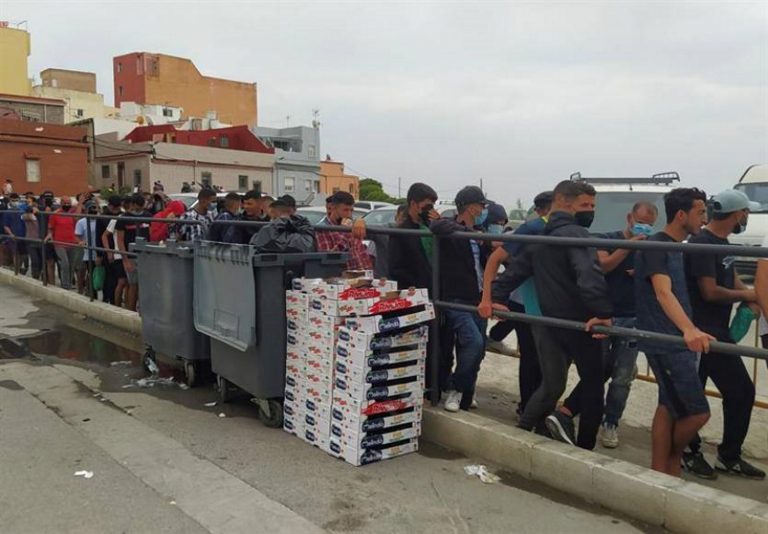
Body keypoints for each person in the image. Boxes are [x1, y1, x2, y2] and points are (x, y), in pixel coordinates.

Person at [490, 181, 612, 450]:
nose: (590, 211)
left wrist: (495, 298)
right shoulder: (577, 236)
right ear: (564, 202)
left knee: (552, 385)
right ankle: (585, 449)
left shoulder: (541, 238)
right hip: (581, 324)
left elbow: (513, 273)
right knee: (592, 385)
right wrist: (602, 312)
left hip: (548, 323)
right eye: (585, 205)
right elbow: (589, 276)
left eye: (592, 206)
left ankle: (522, 434)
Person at [556, 202, 659, 449]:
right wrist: (629, 246)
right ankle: (572, 410)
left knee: (623, 376)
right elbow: (603, 265)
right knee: (596, 371)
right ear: (629, 218)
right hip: (604, 316)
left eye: (649, 224)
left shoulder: (652, 247)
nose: (644, 226)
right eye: (641, 220)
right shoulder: (606, 239)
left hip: (632, 319)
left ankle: (611, 422)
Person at [680, 190, 764, 479]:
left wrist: (750, 296)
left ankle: (726, 456)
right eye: (746, 213)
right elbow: (710, 291)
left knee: (735, 391)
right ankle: (691, 452)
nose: (746, 218)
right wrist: (749, 293)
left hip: (717, 332)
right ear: (737, 213)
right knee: (708, 393)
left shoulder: (721, 241)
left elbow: (731, 276)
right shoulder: (702, 243)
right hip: (703, 332)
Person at [634, 187, 712, 476]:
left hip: (672, 338)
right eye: (700, 212)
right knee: (698, 412)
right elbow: (663, 292)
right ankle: (672, 459)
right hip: (666, 341)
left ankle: (661, 471)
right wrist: (689, 329)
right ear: (682, 215)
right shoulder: (658, 245)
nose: (704, 219)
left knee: (667, 406)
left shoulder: (675, 246)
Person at [479, 191, 552, 415]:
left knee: (547, 359)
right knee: (532, 357)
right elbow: (496, 258)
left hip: (551, 304)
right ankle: (528, 407)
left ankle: (538, 406)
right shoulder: (532, 228)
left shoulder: (570, 229)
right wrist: (488, 298)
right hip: (525, 302)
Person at [431, 186, 491, 412]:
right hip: (456, 299)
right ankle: (455, 388)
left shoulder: (480, 231)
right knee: (473, 342)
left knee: (479, 348)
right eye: (480, 204)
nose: (483, 209)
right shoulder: (451, 228)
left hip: (478, 298)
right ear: (468, 206)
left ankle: (467, 390)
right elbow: (436, 225)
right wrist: (467, 232)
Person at [389, 184, 439, 289]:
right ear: (413, 204)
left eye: (432, 206)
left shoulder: (432, 227)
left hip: (436, 288)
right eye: (427, 206)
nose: (430, 210)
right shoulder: (401, 232)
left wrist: (440, 223)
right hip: (415, 291)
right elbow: (395, 268)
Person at [316, 191, 371, 271]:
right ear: (333, 208)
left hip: (361, 276)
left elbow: (362, 254)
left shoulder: (353, 225)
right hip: (341, 277)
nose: (349, 214)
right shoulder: (323, 229)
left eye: (351, 210)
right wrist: (346, 234)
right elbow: (328, 259)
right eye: (345, 210)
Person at [115, 194, 150, 311]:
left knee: (144, 285)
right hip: (131, 256)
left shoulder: (147, 216)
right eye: (138, 206)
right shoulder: (124, 219)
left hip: (146, 255)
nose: (140, 209)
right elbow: (120, 240)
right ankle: (130, 311)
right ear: (133, 204)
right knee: (133, 285)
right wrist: (125, 260)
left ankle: (143, 310)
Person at [45, 196, 80, 290]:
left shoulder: (71, 213)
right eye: (65, 202)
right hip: (59, 243)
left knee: (72, 265)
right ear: (61, 203)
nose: (67, 204)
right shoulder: (55, 214)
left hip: (72, 242)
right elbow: (50, 227)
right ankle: (65, 285)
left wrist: (80, 203)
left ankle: (68, 282)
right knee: (65, 264)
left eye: (69, 202)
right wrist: (49, 235)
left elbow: (78, 216)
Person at [99, 196, 124, 305]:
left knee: (117, 278)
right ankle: (107, 298)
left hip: (118, 250)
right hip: (107, 250)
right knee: (109, 277)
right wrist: (100, 254)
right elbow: (99, 236)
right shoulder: (103, 217)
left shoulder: (122, 216)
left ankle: (114, 299)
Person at [74, 201, 99, 295]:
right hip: (86, 251)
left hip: (97, 250)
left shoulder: (100, 220)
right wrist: (80, 242)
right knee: (83, 271)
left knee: (93, 272)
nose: (93, 210)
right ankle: (81, 290)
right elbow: (76, 235)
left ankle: (91, 291)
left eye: (95, 208)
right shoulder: (81, 222)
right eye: (91, 208)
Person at [2, 193, 26, 272]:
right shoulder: (7, 212)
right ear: (10, 201)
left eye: (16, 200)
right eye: (13, 200)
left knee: (23, 254)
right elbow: (5, 226)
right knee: (15, 254)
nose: (15, 202)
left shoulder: (22, 211)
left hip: (23, 236)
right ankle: (16, 271)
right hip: (13, 237)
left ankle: (18, 268)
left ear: (19, 200)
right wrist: (11, 234)